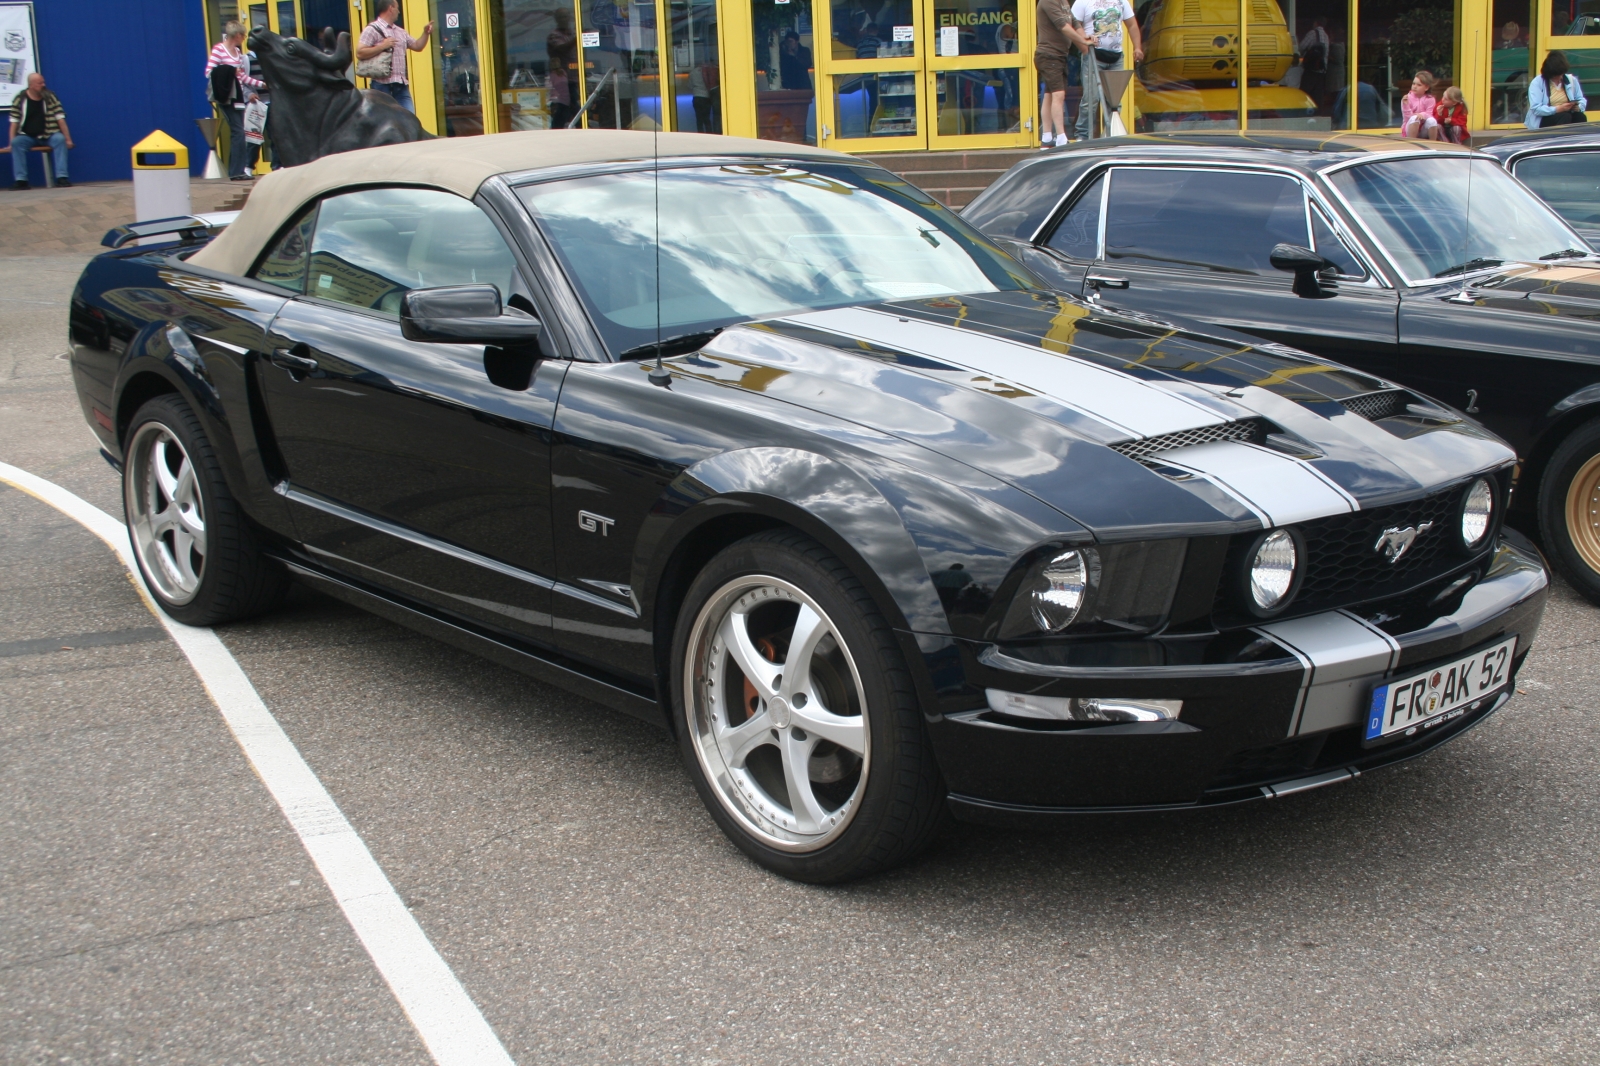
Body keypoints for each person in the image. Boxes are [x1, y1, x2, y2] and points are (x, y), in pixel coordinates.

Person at [1070, 0, 1141, 140]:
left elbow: (1132, 25)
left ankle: (1111, 134)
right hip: (1093, 54)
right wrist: (1084, 48)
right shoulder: (1083, 1)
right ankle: (1083, 135)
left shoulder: (1121, 1)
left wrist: (1137, 47)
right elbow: (1073, 25)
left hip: (1116, 56)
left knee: (1114, 100)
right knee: (1091, 98)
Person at [204, 21, 264, 181]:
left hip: (237, 95)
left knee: (239, 132)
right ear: (237, 35)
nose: (244, 39)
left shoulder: (237, 52)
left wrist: (262, 84)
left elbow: (242, 77)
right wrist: (230, 71)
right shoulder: (219, 50)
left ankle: (237, 170)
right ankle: (236, 171)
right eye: (243, 35)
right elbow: (209, 72)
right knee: (238, 131)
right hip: (226, 96)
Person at [357, 0, 434, 113]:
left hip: (400, 86)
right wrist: (383, 46)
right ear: (390, 8)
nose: (399, 11)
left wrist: (426, 33)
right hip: (381, 86)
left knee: (409, 120)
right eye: (397, 8)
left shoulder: (400, 32)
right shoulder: (372, 29)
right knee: (383, 122)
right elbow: (360, 52)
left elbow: (417, 46)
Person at [1036, 0, 1090, 147]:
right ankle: (1061, 138)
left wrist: (1085, 39)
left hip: (1059, 56)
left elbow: (1074, 23)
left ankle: (1047, 137)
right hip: (1049, 55)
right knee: (1059, 95)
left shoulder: (1063, 2)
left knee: (1049, 95)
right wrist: (1083, 41)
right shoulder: (1048, 1)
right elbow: (1063, 26)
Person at [7, 72, 73, 189]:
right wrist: (11, 142)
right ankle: (21, 180)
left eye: (43, 82)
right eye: (39, 83)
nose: (43, 85)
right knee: (16, 143)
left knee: (60, 139)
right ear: (31, 85)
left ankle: (62, 178)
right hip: (28, 136)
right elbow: (14, 122)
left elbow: (60, 118)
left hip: (49, 134)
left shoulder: (50, 97)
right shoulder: (20, 98)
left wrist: (68, 139)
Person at [1527, 50, 1587, 128]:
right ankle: (1561, 139)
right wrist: (1558, 109)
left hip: (1567, 114)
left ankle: (1579, 139)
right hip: (1545, 118)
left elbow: (1581, 99)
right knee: (1565, 117)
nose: (1559, 78)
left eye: (1561, 74)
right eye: (1556, 76)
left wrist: (1578, 107)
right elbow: (1536, 109)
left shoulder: (1572, 80)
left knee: (1580, 116)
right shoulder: (1537, 82)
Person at [1297, 16, 1329, 106]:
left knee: (1304, 94)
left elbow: (1302, 47)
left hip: (1311, 69)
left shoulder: (1312, 33)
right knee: (1318, 97)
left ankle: (1303, 113)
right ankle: (1318, 115)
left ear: (1316, 23)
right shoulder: (1326, 36)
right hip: (1321, 71)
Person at [1400, 70, 1440, 139]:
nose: (1415, 86)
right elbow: (1407, 119)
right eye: (1413, 84)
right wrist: (1406, 105)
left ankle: (1433, 143)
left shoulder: (1430, 99)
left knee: (1432, 120)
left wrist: (1422, 115)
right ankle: (1413, 142)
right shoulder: (1407, 98)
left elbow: (1429, 113)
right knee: (1414, 118)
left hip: (1423, 129)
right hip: (1410, 128)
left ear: (1426, 87)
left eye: (1419, 85)